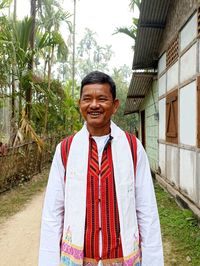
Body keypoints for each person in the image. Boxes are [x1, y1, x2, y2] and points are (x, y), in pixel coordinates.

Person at [38, 71, 164, 266]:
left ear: (115, 105)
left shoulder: (132, 147)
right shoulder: (66, 149)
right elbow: (53, 212)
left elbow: (146, 209)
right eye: (87, 99)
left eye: (102, 99)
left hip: (123, 259)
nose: (94, 105)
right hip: (76, 260)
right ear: (80, 104)